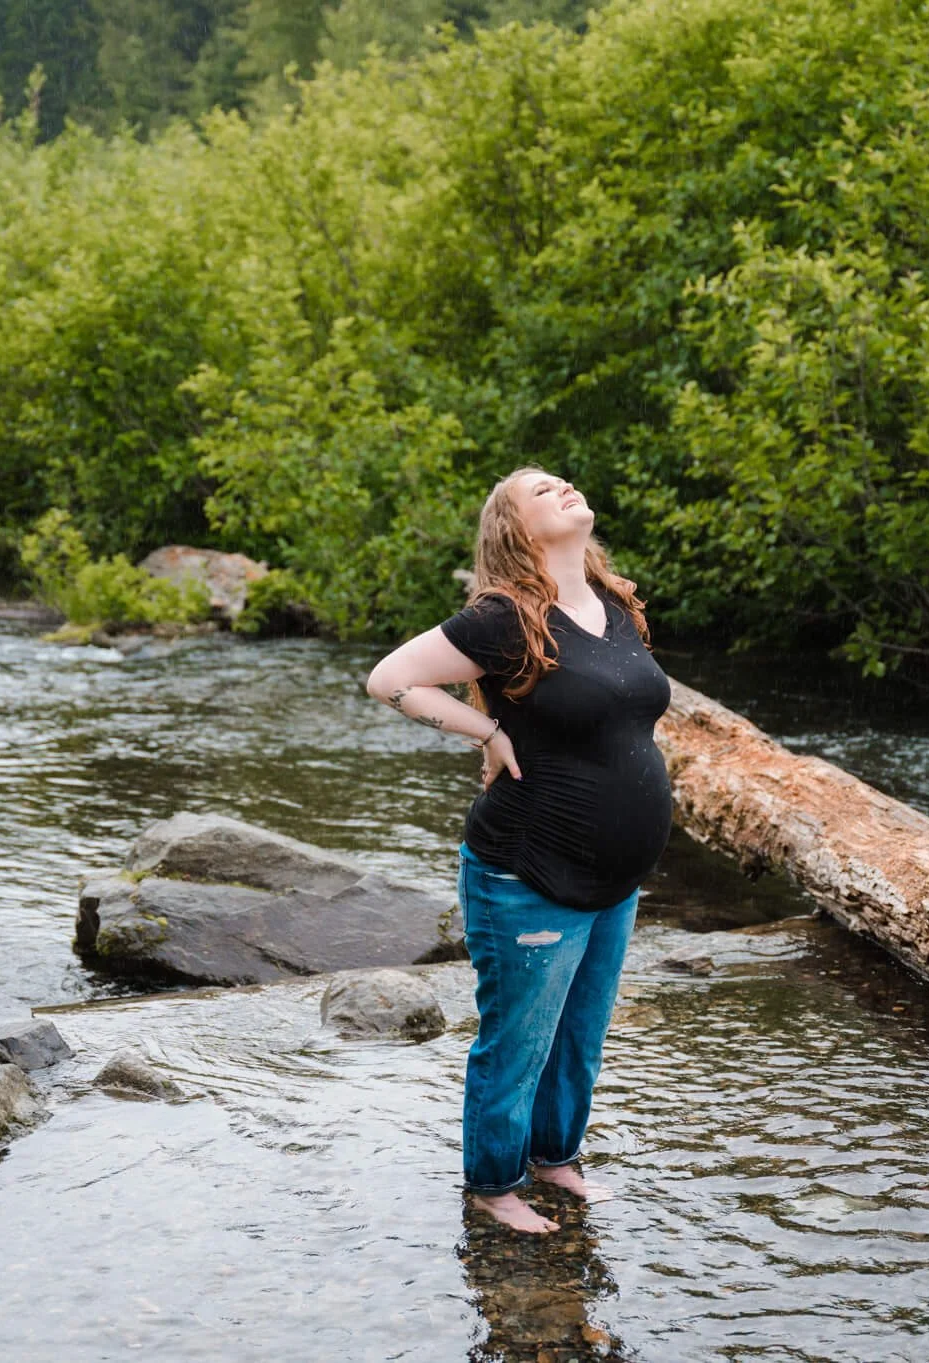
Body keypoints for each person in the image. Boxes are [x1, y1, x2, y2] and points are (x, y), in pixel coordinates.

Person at [364, 467, 673, 1234]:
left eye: (565, 481)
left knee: (580, 1032)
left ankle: (556, 1159)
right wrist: (488, 731)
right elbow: (390, 679)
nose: (564, 486)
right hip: (528, 871)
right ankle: (495, 1186)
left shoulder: (613, 605)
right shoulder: (504, 618)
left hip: (614, 877)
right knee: (518, 1039)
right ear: (515, 529)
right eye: (542, 490)